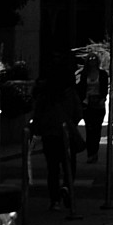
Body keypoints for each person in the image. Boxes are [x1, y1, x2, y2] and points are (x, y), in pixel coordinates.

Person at [32, 56, 84, 215]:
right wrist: (70, 123)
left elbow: (37, 115)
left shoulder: (44, 94)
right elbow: (78, 113)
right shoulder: (70, 93)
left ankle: (54, 199)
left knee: (52, 168)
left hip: (50, 134)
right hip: (66, 133)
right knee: (69, 166)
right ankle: (67, 188)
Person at [77, 49, 108, 163]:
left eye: (94, 58)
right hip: (87, 104)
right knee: (89, 129)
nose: (92, 61)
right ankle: (90, 153)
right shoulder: (84, 74)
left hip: (99, 105)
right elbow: (81, 89)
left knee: (97, 129)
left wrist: (102, 99)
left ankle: (94, 152)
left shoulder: (102, 74)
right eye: (90, 59)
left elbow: (104, 89)